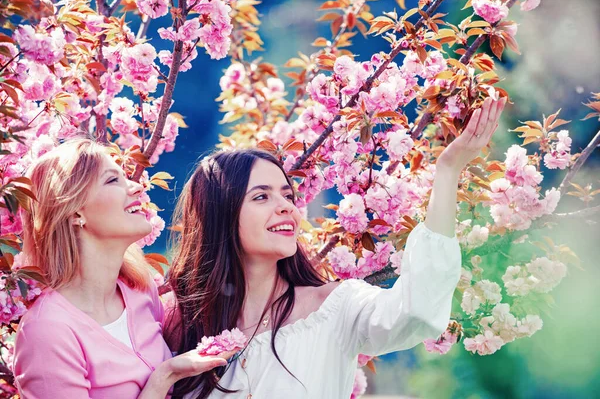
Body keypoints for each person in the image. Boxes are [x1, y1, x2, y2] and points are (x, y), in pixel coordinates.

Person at [165, 97, 506, 398]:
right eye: (261, 197)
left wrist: (447, 171)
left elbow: (415, 311)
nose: (286, 207)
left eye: (287, 195)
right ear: (220, 214)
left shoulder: (334, 308)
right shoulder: (179, 320)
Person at [13, 138, 231, 398]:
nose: (137, 187)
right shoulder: (47, 331)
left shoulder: (139, 290)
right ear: (74, 213)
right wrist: (163, 378)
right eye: (112, 180)